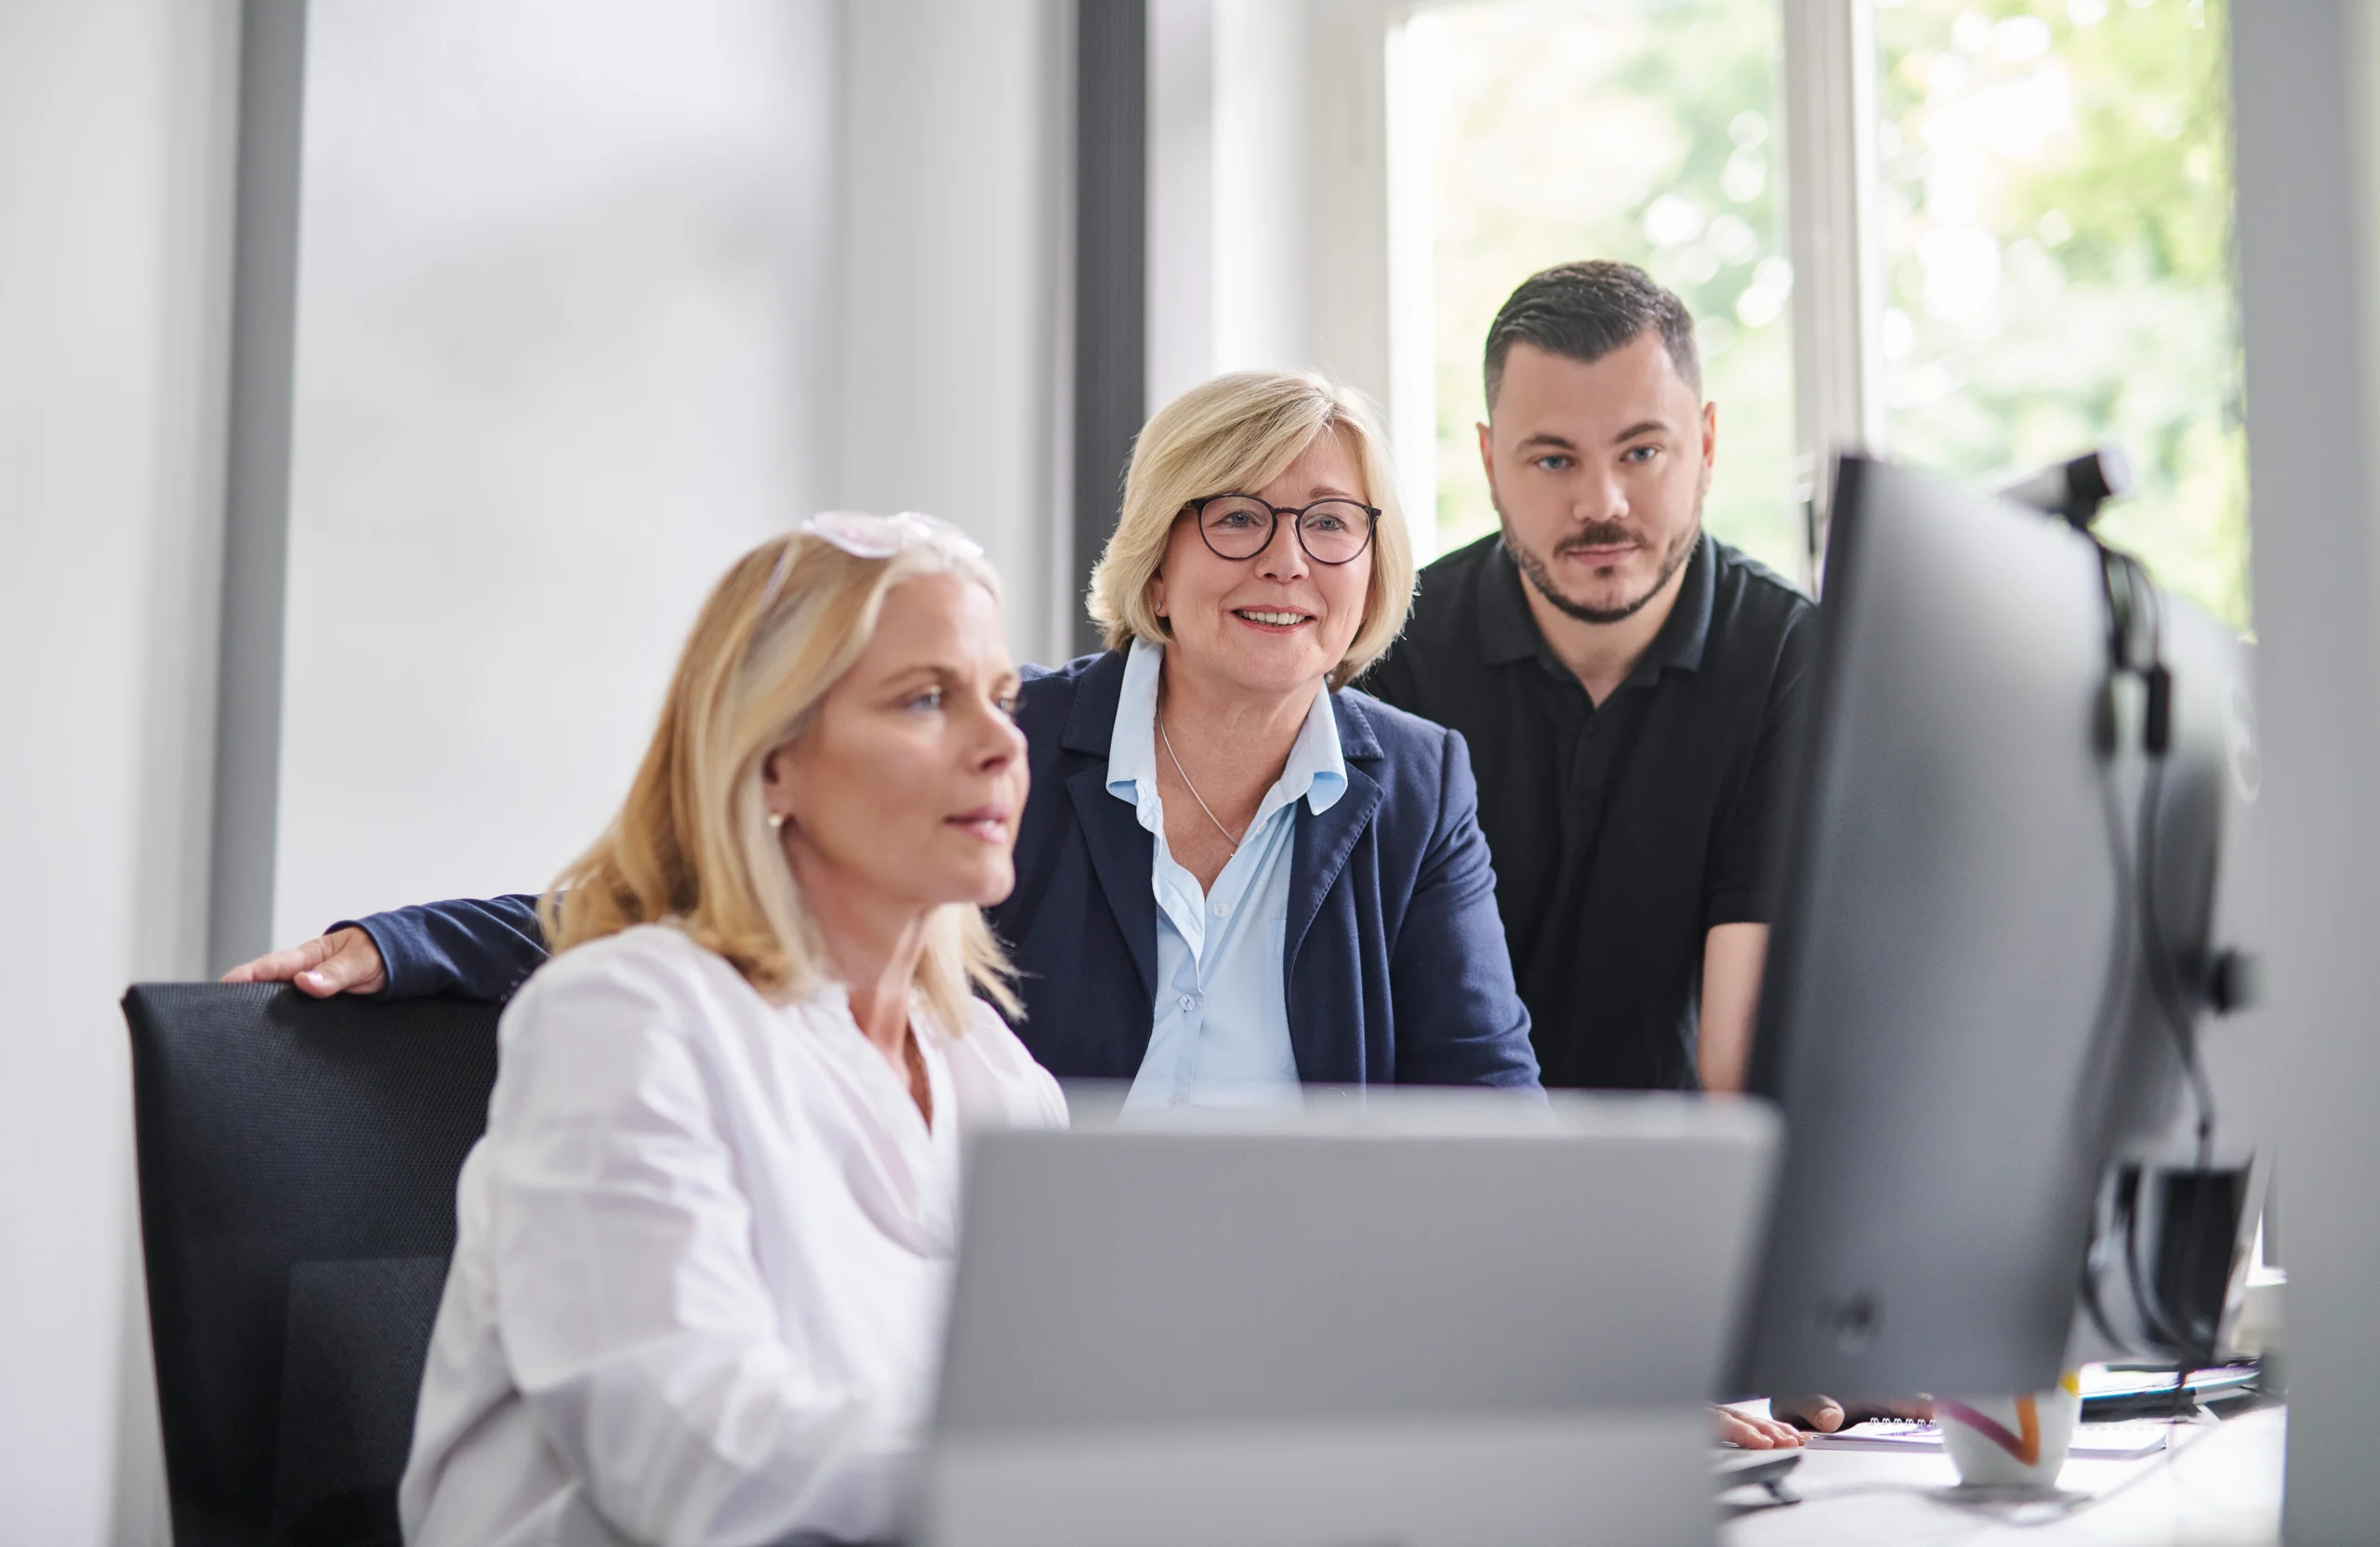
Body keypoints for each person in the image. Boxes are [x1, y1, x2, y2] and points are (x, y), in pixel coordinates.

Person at [228, 372, 1539, 1095]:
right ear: (1156, 556)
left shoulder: (1415, 780)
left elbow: (1487, 1099)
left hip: (1304, 1334)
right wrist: (401, 943)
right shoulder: (1008, 739)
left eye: (1331, 522)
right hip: (1010, 1314)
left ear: (1374, 561)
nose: (1288, 560)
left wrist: (1618, 1352)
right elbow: (718, 895)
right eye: (1236, 516)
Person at [397, 511, 1066, 1547]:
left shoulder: (996, 1074)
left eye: (1003, 696)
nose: (1001, 743)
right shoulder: (625, 1020)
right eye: (927, 698)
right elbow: (696, 1457)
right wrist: (1046, 1478)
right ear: (769, 762)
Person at [1361, 261, 1816, 1096]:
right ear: (1491, 461)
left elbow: (1739, 1057)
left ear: (1706, 446)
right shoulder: (1391, 655)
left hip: (1679, 1182)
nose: (1601, 504)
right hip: (1449, 1174)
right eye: (1553, 461)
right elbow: (1379, 1023)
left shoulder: (1792, 658)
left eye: (1642, 451)